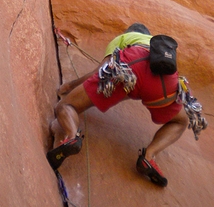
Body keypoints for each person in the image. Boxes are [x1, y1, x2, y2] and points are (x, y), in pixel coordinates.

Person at [47, 23, 188, 187]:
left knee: (66, 106)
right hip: (166, 82)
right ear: (148, 35)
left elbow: (101, 71)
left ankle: (71, 137)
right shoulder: (160, 50)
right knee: (180, 121)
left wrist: (69, 87)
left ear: (130, 33)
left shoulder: (123, 38)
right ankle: (149, 156)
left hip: (130, 65)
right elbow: (138, 89)